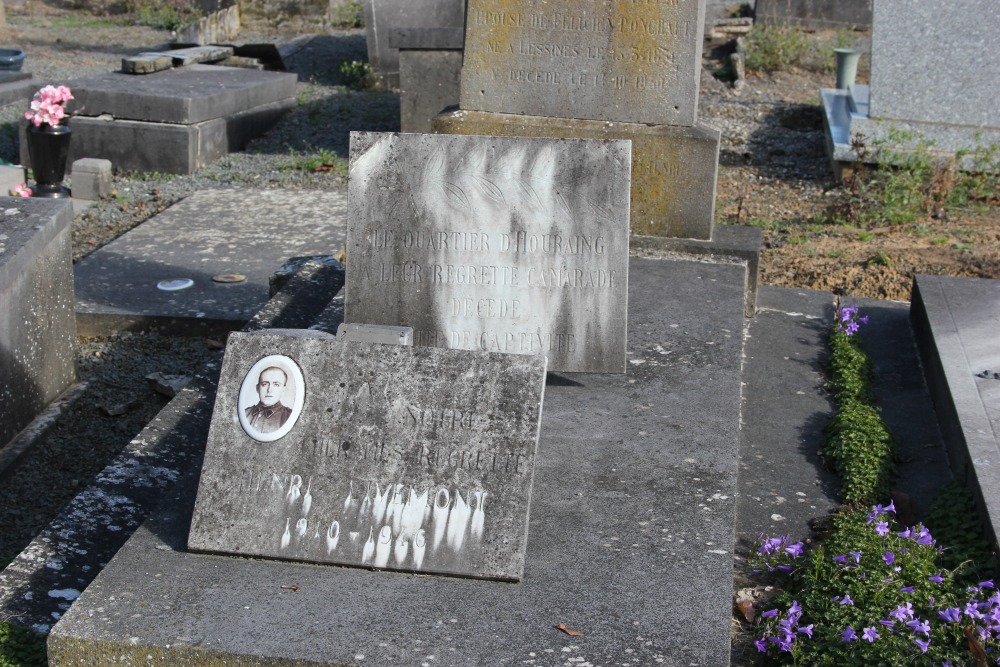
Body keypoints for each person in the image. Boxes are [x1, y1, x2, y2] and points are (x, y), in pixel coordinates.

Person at [245, 366, 293, 433]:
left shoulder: (289, 417)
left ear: (283, 390)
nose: (269, 390)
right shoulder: (245, 413)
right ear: (257, 388)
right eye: (264, 384)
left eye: (276, 385)